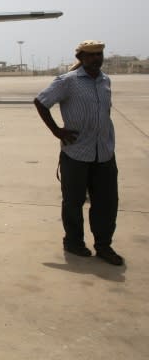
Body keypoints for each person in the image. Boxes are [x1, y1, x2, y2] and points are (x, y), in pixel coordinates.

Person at [34, 40, 123, 265]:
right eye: (91, 55)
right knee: (73, 202)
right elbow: (41, 102)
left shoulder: (106, 81)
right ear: (81, 58)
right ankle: (73, 242)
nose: (96, 59)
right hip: (76, 153)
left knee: (107, 202)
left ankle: (104, 245)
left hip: (103, 152)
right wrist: (57, 130)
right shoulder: (68, 82)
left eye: (99, 54)